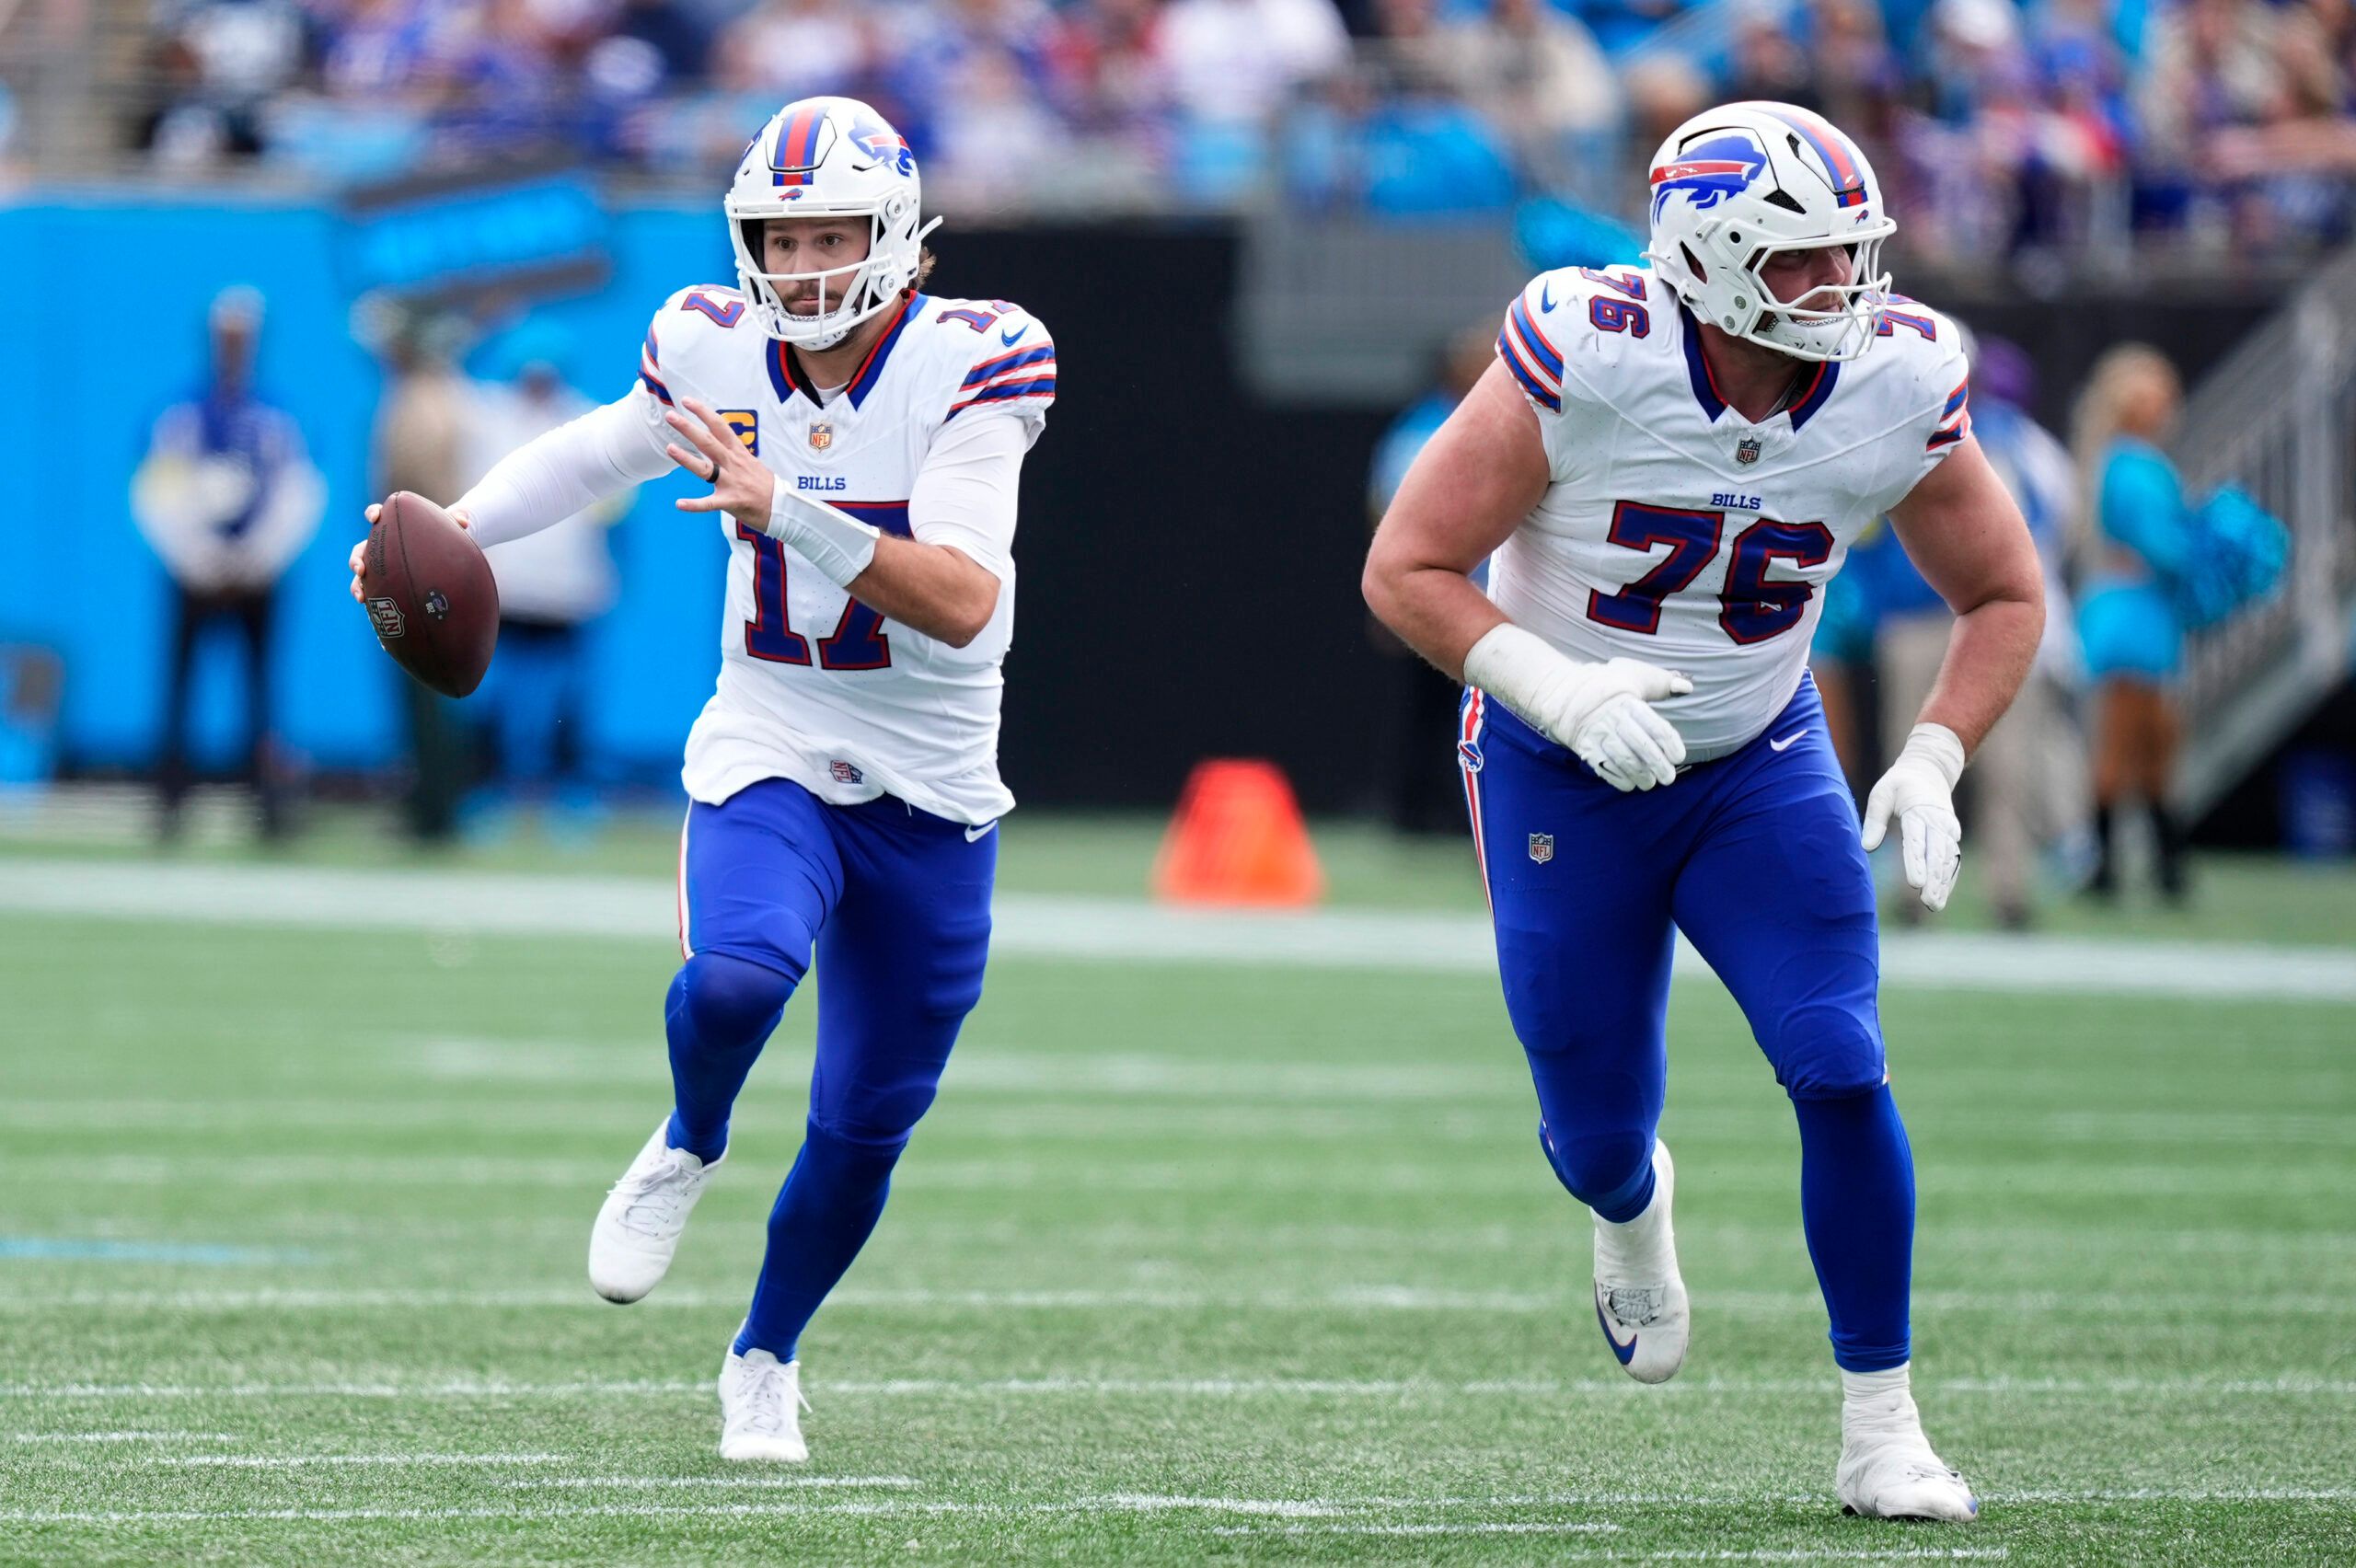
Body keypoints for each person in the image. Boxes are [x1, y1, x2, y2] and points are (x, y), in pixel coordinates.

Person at [346, 96, 1055, 1462]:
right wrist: (447, 532)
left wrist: (788, 505)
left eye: (831, 235)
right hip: (775, 733)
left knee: (862, 1125)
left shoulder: (976, 362)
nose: (799, 268)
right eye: (779, 240)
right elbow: (604, 447)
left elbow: (962, 600)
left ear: (896, 235)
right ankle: (690, 1136)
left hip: (934, 782)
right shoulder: (711, 345)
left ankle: (765, 1356)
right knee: (736, 975)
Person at [1363, 102, 2043, 1521]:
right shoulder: (1588, 351)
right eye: (1803, 263)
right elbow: (1408, 567)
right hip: (1564, 770)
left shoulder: (1896, 376)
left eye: (1852, 257)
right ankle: (1631, 1211)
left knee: (1840, 1061)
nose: (1841, 293)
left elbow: (2004, 591)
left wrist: (1931, 752)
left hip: (1756, 761)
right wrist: (1555, 692)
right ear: (1713, 258)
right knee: (1598, 1130)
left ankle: (1882, 1427)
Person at [132, 285, 324, 841]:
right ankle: (170, 799)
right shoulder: (181, 414)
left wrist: (257, 556)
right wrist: (197, 555)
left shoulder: (276, 417)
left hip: (257, 578)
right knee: (180, 684)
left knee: (261, 687)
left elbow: (299, 494)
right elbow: (156, 491)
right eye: (226, 337)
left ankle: (267, 801)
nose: (233, 347)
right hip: (193, 575)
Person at [465, 333, 629, 830]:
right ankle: (492, 791)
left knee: (570, 700)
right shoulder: (486, 418)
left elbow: (614, 508)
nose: (538, 384)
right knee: (492, 696)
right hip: (505, 588)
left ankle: (573, 794)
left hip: (569, 590)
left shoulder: (588, 419)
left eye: (546, 374)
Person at [2071, 345, 2194, 899]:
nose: (2165, 406)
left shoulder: (2133, 460)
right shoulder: (2130, 462)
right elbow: (2159, 542)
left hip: (2145, 608)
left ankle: (2161, 864)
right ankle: (2109, 867)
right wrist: (2202, 552)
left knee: (2156, 739)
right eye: (2151, 396)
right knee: (2126, 739)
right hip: (2133, 610)